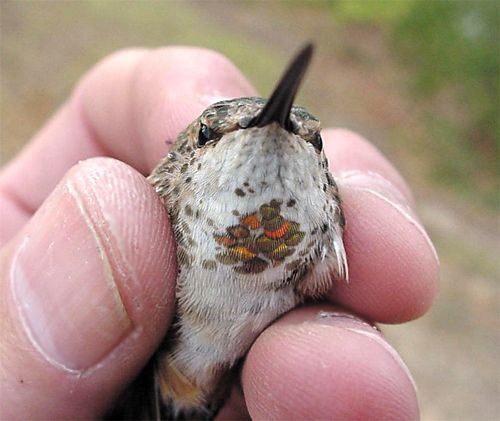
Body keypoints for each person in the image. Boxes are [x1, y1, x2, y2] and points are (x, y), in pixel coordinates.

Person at [0, 47, 439, 420]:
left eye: (313, 144)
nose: (274, 129)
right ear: (183, 156)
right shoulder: (156, 204)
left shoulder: (325, 231)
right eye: (211, 133)